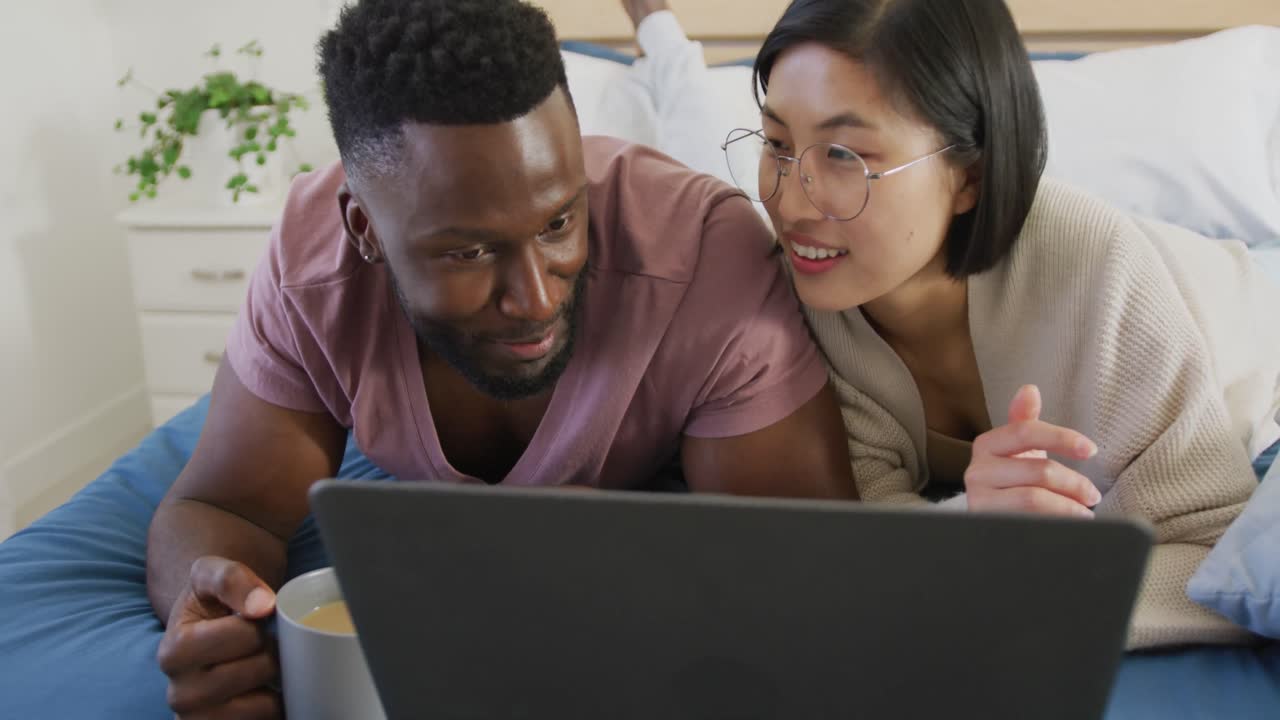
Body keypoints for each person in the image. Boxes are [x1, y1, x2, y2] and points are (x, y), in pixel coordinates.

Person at [145, 0, 857, 716]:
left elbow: (798, 568)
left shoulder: (709, 262)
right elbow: (222, 506)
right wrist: (212, 620)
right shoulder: (309, 269)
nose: (536, 298)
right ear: (365, 229)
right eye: (469, 251)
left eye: (559, 222)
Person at [709, 0, 1280, 651]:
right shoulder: (789, 302)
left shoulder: (1096, 272)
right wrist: (969, 540)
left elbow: (1216, 562)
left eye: (844, 154)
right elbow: (871, 533)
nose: (789, 202)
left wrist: (1013, 596)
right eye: (778, 145)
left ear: (969, 177)